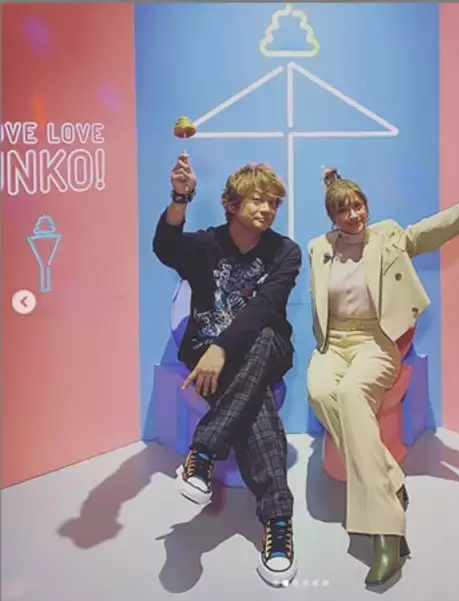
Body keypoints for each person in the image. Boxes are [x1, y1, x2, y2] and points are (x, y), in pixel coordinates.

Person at [306, 167, 459, 586]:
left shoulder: (388, 236)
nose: (354, 216)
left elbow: (429, 231)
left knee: (351, 394)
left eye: (358, 206)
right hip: (334, 344)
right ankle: (391, 478)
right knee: (320, 391)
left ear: (366, 206)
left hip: (375, 342)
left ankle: (386, 535)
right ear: (332, 216)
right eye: (344, 210)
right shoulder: (318, 248)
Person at [153, 155, 302, 587]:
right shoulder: (206, 245)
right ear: (233, 203)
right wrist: (180, 197)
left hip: (265, 347)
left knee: (262, 335)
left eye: (273, 203)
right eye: (258, 200)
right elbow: (165, 246)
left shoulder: (285, 252)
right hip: (207, 352)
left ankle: (203, 451)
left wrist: (221, 348)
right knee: (258, 411)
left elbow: (264, 307)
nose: (267, 209)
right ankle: (278, 524)